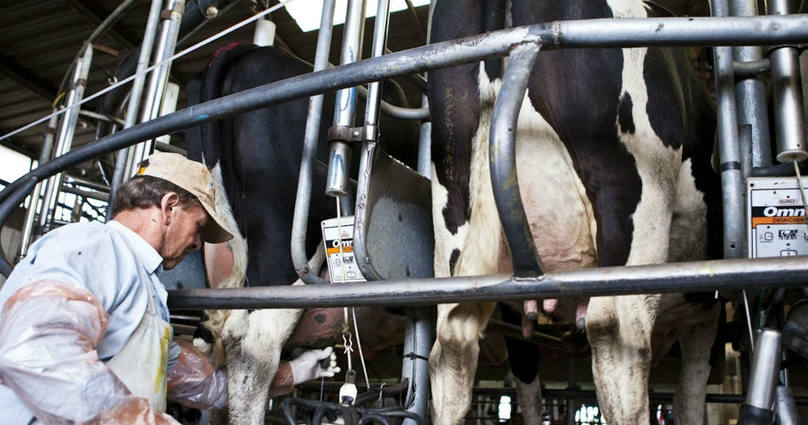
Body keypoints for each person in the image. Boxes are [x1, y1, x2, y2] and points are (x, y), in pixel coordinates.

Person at [0, 153, 338, 425]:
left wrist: (293, 372)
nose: (197, 244)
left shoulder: (147, 289)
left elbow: (204, 387)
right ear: (169, 207)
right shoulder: (94, 246)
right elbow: (36, 352)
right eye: (199, 227)